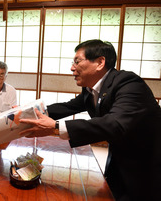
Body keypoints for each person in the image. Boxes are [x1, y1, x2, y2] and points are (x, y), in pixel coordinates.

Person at [19, 39, 161, 201]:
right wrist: (29, 113)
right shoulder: (90, 90)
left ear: (100, 62)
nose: (72, 68)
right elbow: (68, 107)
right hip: (118, 158)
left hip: (148, 163)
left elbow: (115, 124)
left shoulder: (128, 83)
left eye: (77, 61)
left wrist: (55, 127)